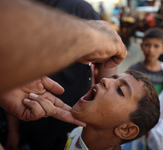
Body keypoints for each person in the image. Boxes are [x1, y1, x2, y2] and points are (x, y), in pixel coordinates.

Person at [23, 0, 118, 149]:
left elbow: (109, 59)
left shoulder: (80, 9)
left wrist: (104, 102)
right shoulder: (18, 11)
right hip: (31, 108)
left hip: (73, 112)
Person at [0, 0, 127, 94]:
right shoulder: (16, 8)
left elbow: (109, 60)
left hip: (73, 102)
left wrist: (103, 94)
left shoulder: (80, 8)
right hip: (27, 100)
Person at [24, 69, 160, 150]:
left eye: (120, 90)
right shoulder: (77, 132)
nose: (105, 80)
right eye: (113, 77)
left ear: (125, 130)